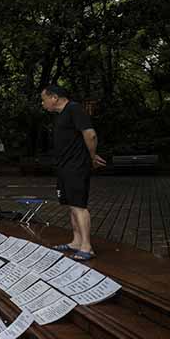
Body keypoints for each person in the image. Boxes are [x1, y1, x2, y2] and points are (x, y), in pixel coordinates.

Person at [41, 84, 106, 260]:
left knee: (79, 206)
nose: (43, 103)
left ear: (54, 97)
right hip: (64, 167)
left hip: (75, 166)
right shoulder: (62, 115)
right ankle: (76, 241)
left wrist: (91, 157)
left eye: (44, 99)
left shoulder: (74, 109)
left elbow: (90, 134)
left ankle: (87, 247)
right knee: (71, 205)